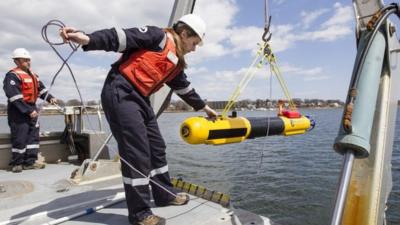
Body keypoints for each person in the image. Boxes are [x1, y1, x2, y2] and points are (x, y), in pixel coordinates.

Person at [60, 14, 217, 225]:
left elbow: (183, 88)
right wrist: (87, 39)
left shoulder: (176, 61)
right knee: (137, 153)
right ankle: (140, 213)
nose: (194, 48)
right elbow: (120, 37)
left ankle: (164, 194)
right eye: (194, 43)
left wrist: (204, 107)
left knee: (157, 147)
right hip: (120, 92)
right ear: (184, 33)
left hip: (140, 98)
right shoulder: (156, 37)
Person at [3, 48, 57, 173]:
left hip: (32, 108)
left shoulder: (34, 75)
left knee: (33, 137)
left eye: (29, 60)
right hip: (18, 111)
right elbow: (14, 96)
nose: (28, 62)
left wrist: (50, 98)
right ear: (17, 61)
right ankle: (17, 163)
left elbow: (41, 90)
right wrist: (27, 110)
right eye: (25, 60)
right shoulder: (12, 76)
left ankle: (30, 162)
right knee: (20, 137)